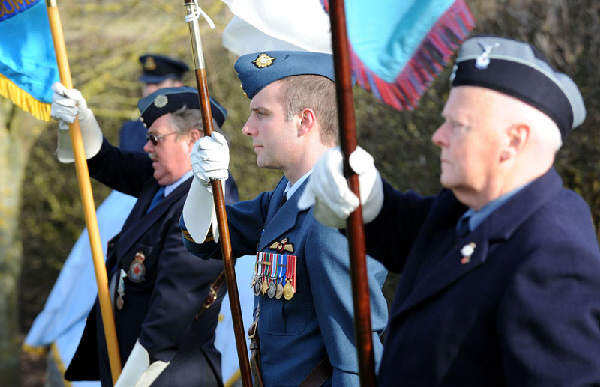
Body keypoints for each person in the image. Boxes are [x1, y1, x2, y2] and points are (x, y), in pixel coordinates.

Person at [298, 35, 600, 385]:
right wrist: (368, 198)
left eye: (458, 124)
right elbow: (408, 232)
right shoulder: (467, 209)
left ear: (514, 141)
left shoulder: (553, 259)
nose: (438, 136)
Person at [180, 51, 389, 386]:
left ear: (304, 122)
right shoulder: (288, 195)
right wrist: (203, 183)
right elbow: (206, 240)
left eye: (262, 114)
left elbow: (355, 365)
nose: (247, 129)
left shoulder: (333, 219)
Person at [50, 84, 239, 387]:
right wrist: (79, 119)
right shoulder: (165, 180)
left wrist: (131, 380)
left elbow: (173, 309)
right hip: (127, 363)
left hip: (163, 374)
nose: (146, 147)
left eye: (155, 139)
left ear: (192, 140)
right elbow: (106, 162)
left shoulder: (209, 203)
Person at [119, 54, 190, 152]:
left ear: (177, 86)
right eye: (147, 84)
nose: (150, 89)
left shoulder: (192, 125)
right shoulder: (130, 130)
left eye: (157, 84)